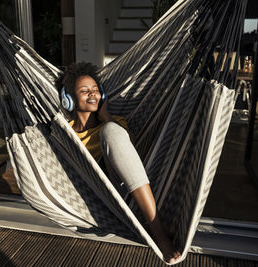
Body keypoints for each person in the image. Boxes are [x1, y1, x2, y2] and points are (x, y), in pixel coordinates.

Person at [59, 62, 180, 264]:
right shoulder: (64, 131)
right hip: (90, 196)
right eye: (84, 90)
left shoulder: (113, 123)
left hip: (123, 190)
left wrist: (107, 118)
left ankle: (156, 229)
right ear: (68, 99)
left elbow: (138, 153)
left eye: (96, 90)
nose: (93, 94)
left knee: (112, 132)